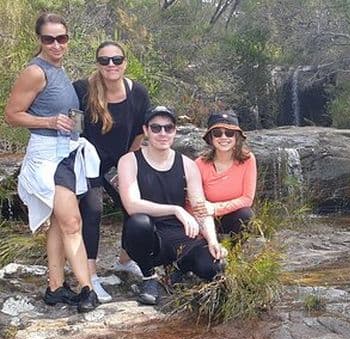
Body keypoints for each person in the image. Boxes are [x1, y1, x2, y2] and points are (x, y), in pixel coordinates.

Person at [4, 13, 99, 312]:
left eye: (62, 38)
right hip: (47, 157)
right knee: (72, 223)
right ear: (40, 40)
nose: (56, 44)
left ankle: (55, 288)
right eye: (49, 39)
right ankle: (87, 288)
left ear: (68, 40)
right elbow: (11, 114)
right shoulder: (35, 71)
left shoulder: (58, 70)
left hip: (67, 154)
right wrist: (47, 120)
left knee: (59, 224)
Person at [117, 106, 226, 305]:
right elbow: (132, 205)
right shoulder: (130, 161)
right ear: (146, 130)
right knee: (138, 223)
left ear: (175, 131)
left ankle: (179, 267)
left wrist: (212, 240)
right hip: (149, 237)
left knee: (215, 268)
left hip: (180, 236)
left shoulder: (187, 164)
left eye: (168, 128)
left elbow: (200, 208)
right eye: (156, 128)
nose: (162, 133)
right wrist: (176, 209)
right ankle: (149, 277)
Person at [73, 41, 151, 302]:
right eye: (105, 60)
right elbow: (74, 128)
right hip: (88, 162)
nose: (111, 65)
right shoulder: (83, 90)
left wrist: (126, 164)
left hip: (120, 160)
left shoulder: (138, 93)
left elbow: (141, 132)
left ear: (125, 63)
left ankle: (124, 260)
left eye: (116, 60)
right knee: (93, 210)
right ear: (97, 64)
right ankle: (91, 276)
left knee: (133, 206)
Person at [193, 111, 256, 236]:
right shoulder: (199, 164)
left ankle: (234, 250)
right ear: (211, 138)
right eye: (217, 133)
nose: (223, 137)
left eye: (229, 133)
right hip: (206, 218)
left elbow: (247, 199)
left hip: (231, 217)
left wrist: (215, 208)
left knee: (246, 215)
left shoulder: (248, 160)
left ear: (236, 137)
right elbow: (195, 202)